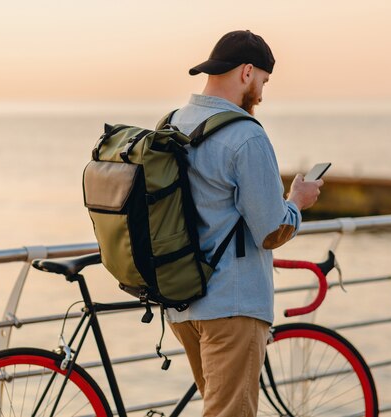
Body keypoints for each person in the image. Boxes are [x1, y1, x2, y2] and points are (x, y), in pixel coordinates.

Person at [165, 30, 324, 416]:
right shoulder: (245, 136)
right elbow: (271, 230)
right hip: (231, 305)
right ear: (247, 72)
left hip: (183, 303)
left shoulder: (172, 123)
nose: (262, 94)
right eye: (264, 82)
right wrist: (297, 202)